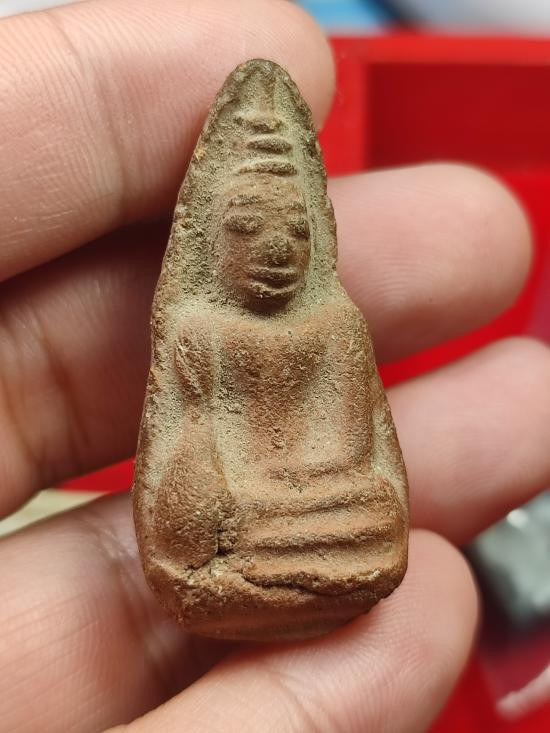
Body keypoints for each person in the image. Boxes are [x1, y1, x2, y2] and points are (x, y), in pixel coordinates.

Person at [0, 1, 548, 731]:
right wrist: (229, 503)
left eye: (294, 230)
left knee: (375, 511)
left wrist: (305, 496)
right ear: (209, 238)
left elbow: (355, 449)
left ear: (317, 233)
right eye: (248, 229)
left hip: (318, 505)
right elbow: (188, 440)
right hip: (235, 509)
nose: (276, 250)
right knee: (192, 503)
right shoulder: (196, 327)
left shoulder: (334, 324)